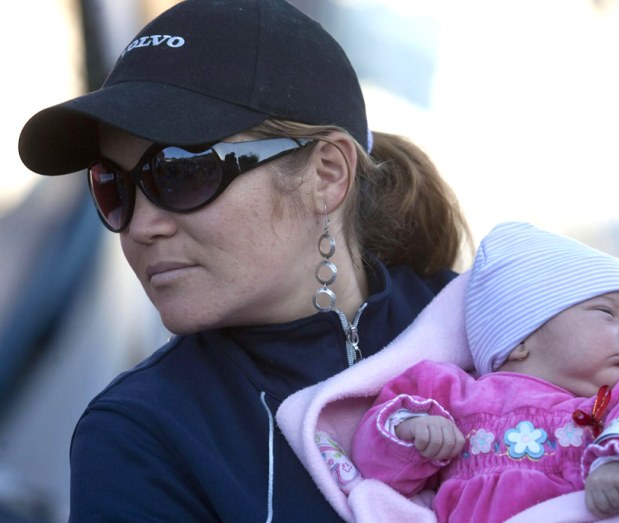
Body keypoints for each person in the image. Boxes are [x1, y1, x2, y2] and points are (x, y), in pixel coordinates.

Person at [17, 1, 470, 521]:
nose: (141, 226)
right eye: (114, 187)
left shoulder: (491, 326)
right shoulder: (142, 432)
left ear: (326, 174)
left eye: (181, 171)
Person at [351, 222, 619, 522]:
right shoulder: (449, 391)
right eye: (607, 312)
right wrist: (413, 430)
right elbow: (374, 466)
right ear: (519, 340)